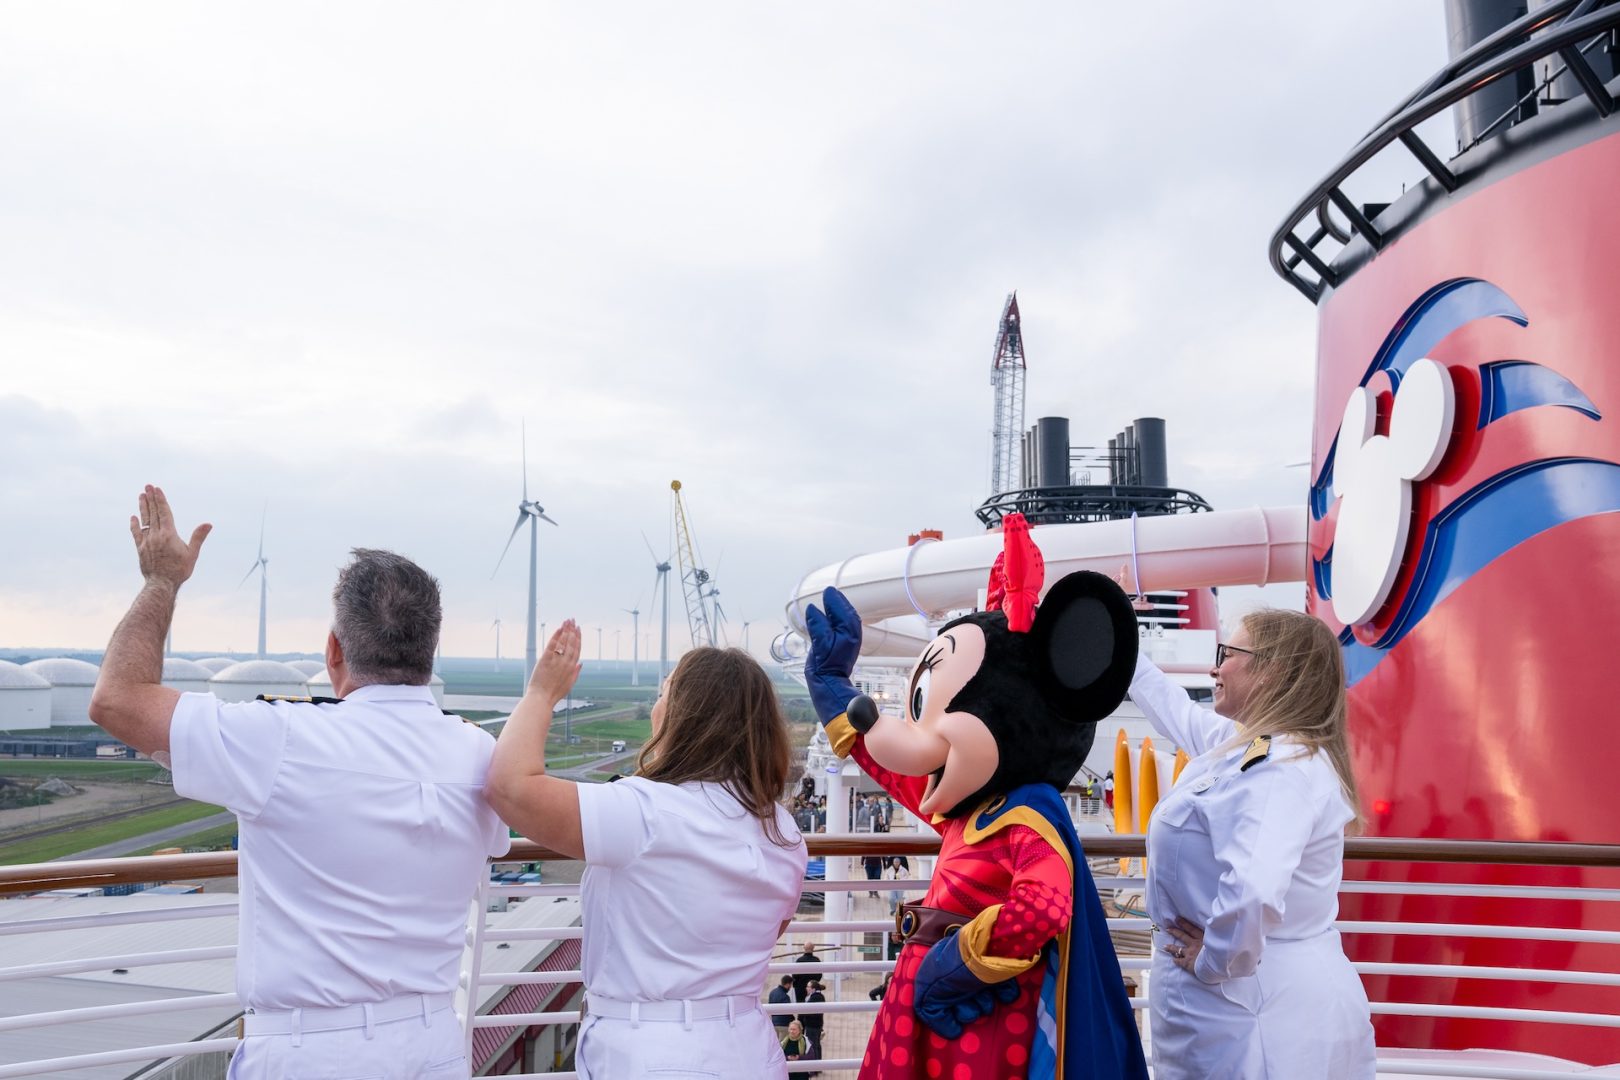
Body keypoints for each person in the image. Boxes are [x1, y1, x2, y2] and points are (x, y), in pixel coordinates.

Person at [87, 487, 506, 1079]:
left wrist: (162, 580)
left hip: (313, 1051)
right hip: (434, 1043)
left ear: (333, 651)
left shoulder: (280, 739)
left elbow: (116, 699)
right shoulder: (481, 752)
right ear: (431, 652)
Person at [486, 629, 807, 1079]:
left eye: (663, 694)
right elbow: (771, 930)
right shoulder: (784, 831)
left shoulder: (644, 812)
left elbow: (509, 789)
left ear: (683, 717)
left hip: (653, 1052)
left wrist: (541, 693)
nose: (656, 707)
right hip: (749, 1049)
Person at [1131, 609, 1376, 1079]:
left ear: (1272, 670)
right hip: (1241, 1000)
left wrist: (1214, 961)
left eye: (1228, 653)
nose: (1214, 668)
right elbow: (1173, 709)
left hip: (1251, 1007)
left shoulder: (1281, 768)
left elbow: (1252, 889)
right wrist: (1113, 635)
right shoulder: (1249, 745)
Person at [800, 980, 826, 1058]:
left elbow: (809, 1012)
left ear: (813, 989)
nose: (806, 988)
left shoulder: (815, 997)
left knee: (813, 1045)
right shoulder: (818, 996)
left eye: (808, 987)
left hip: (813, 1026)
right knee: (816, 1044)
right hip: (815, 1025)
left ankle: (815, 1062)